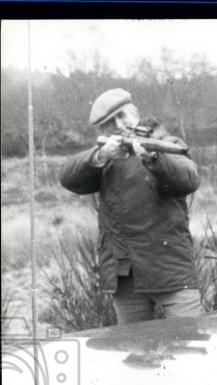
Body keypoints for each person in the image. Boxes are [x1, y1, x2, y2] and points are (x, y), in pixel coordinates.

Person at [60, 88, 203, 325]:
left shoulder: (166, 143)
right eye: (109, 123)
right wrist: (101, 155)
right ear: (101, 130)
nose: (119, 124)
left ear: (134, 112)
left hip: (171, 270)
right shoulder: (106, 156)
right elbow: (68, 177)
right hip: (126, 275)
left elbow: (188, 179)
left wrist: (154, 158)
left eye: (122, 115)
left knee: (190, 343)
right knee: (134, 354)